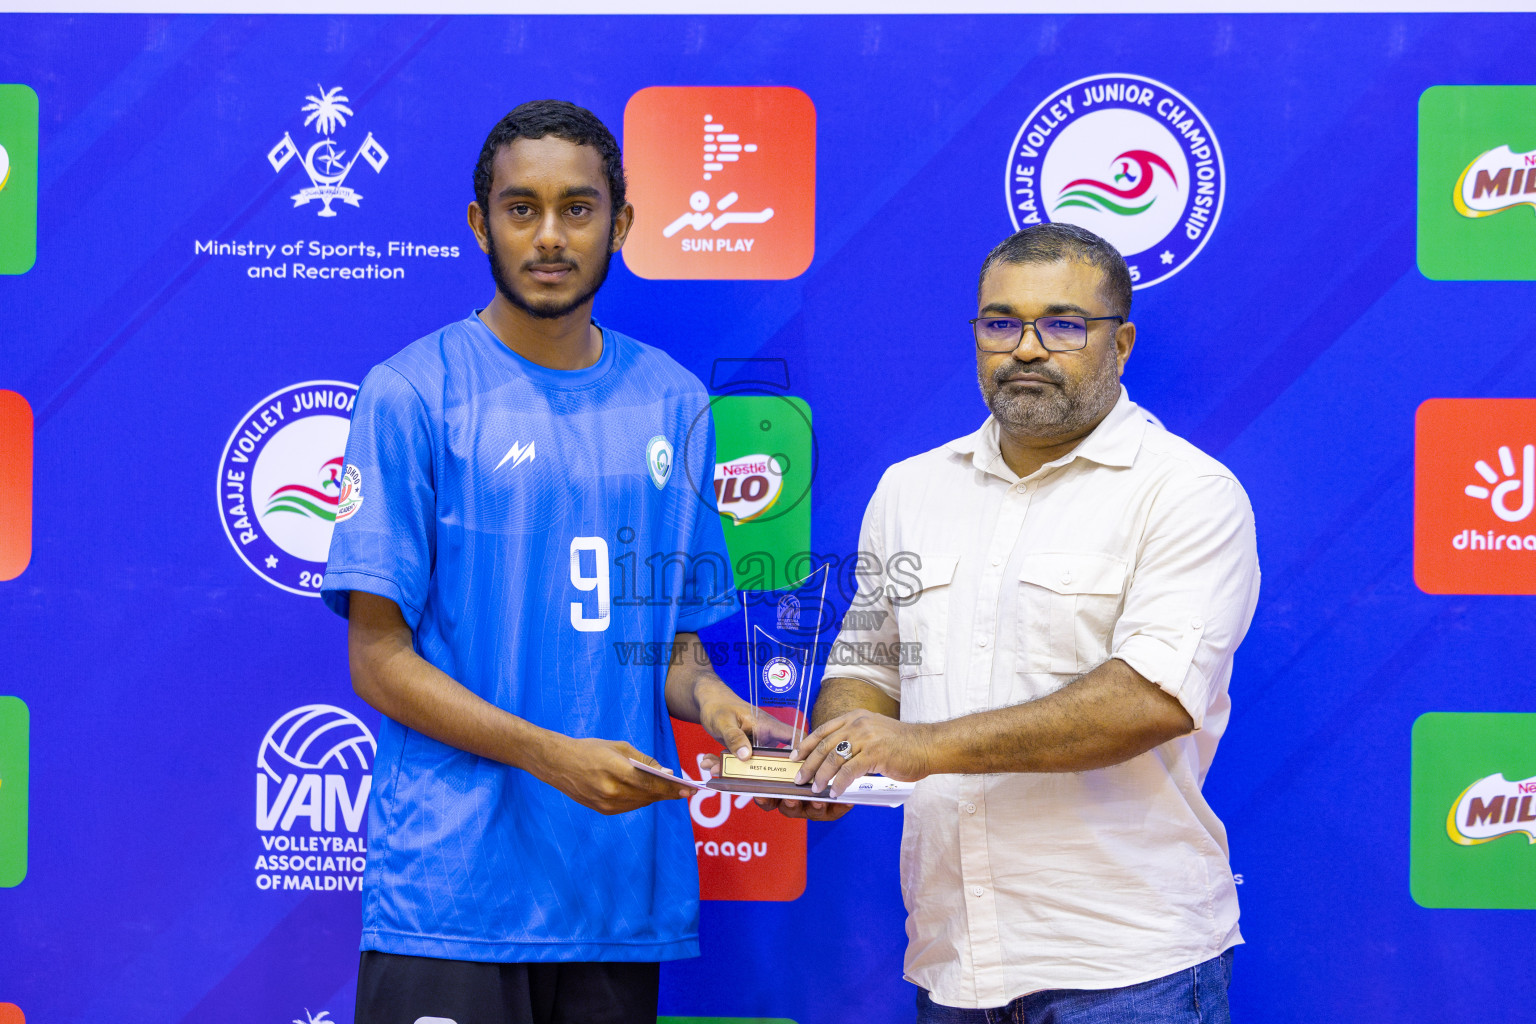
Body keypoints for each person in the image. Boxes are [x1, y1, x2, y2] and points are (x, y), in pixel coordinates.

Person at [321, 100, 760, 1024]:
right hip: (453, 901)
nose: (551, 236)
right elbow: (378, 660)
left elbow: (671, 644)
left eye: (579, 208)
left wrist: (717, 705)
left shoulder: (674, 400)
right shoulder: (410, 394)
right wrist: (548, 755)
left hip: (613, 897)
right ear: (481, 224)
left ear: (623, 224)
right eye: (522, 209)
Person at [772, 223, 1260, 1021]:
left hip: (1127, 967)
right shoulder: (910, 489)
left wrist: (920, 747)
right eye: (1001, 323)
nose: (1026, 348)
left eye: (1063, 324)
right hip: (951, 958)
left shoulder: (1188, 494)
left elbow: (1147, 700)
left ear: (1122, 342)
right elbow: (868, 666)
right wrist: (838, 759)